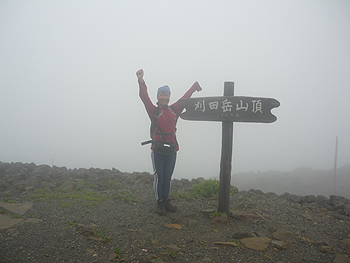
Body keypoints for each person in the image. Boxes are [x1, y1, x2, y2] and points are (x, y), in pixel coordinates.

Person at [136, 69, 202, 215]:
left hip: (172, 149)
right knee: (159, 177)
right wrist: (141, 81)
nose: (164, 97)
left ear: (169, 97)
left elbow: (184, 99)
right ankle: (159, 202)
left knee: (167, 177)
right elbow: (144, 97)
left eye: (166, 94)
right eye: (161, 94)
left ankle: (166, 200)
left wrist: (194, 87)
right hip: (158, 149)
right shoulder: (153, 110)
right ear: (158, 96)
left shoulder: (174, 110)